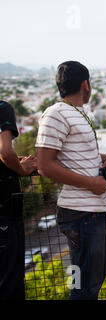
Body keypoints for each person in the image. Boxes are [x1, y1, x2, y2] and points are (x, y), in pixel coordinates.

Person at [36, 61, 106, 300]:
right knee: (84, 285)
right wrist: (91, 184)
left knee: (99, 271)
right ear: (86, 84)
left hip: (93, 211)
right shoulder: (55, 113)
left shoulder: (77, 113)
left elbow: (79, 153)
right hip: (79, 214)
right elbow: (44, 165)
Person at [0, 101, 37, 300]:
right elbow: (5, 152)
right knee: (10, 287)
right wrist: (21, 168)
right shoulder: (2, 108)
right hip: (5, 216)